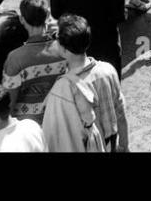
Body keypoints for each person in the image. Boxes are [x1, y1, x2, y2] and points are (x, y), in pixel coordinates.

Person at [42, 14, 129, 153]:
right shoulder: (108, 70)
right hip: (111, 142)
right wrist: (124, 145)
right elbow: (121, 113)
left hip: (89, 146)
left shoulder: (64, 87)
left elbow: (62, 137)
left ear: (64, 49)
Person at [1, 0, 67, 120]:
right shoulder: (64, 49)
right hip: (58, 122)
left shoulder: (15, 58)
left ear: (21, 19)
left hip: (27, 129)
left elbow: (8, 104)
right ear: (48, 15)